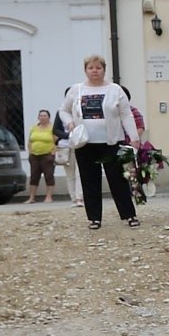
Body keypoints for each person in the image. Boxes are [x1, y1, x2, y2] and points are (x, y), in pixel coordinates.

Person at [60, 55, 143, 230]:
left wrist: (134, 137)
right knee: (89, 181)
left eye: (98, 68)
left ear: (104, 70)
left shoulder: (115, 89)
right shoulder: (76, 90)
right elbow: (64, 111)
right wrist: (70, 123)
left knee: (118, 180)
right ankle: (94, 218)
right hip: (85, 143)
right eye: (91, 68)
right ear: (85, 70)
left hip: (111, 142)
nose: (94, 71)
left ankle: (129, 215)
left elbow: (126, 114)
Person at [26, 109, 58, 204]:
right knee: (34, 177)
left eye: (45, 116)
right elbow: (30, 141)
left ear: (48, 117)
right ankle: (31, 198)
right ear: (38, 117)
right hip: (34, 156)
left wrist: (53, 152)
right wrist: (30, 153)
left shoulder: (52, 128)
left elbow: (56, 141)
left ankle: (49, 197)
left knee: (49, 176)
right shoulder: (34, 128)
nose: (43, 117)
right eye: (41, 115)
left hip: (47, 155)